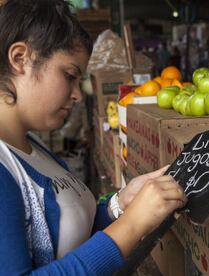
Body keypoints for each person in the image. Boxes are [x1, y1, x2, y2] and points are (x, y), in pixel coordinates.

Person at [0, 1, 187, 274]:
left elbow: (70, 237)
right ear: (20, 58)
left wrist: (119, 205)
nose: (77, 94)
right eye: (69, 75)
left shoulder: (30, 147)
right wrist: (133, 224)